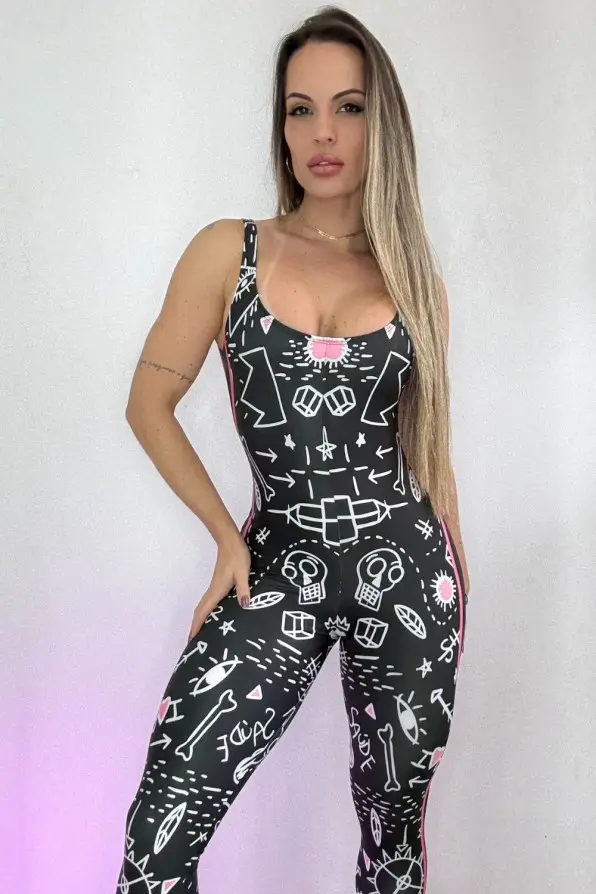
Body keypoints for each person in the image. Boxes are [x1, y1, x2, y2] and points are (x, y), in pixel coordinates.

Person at [116, 6, 471, 893]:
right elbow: (149, 404)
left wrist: (457, 580)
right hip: (278, 558)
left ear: (382, 124)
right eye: (299, 109)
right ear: (280, 126)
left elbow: (429, 448)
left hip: (408, 567)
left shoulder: (415, 281)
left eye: (348, 108)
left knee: (393, 837)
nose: (322, 134)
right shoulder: (229, 252)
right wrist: (225, 539)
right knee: (163, 824)